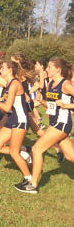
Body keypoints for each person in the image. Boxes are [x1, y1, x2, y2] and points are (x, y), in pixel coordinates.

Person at [17, 58, 74, 194]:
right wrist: (42, 101)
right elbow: (52, 106)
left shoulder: (66, 84)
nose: (46, 69)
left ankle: (33, 184)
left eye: (49, 67)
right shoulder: (51, 84)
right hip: (54, 123)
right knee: (71, 156)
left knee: (37, 149)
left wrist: (67, 105)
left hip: (62, 123)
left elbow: (64, 105)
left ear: (58, 70)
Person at [0, 60, 31, 188]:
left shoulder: (14, 83)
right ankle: (25, 154)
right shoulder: (9, 84)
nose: (0, 70)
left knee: (14, 152)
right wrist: (1, 100)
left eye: (3, 68)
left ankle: (29, 179)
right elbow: (9, 105)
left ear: (10, 69)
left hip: (20, 120)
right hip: (12, 119)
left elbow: (7, 107)